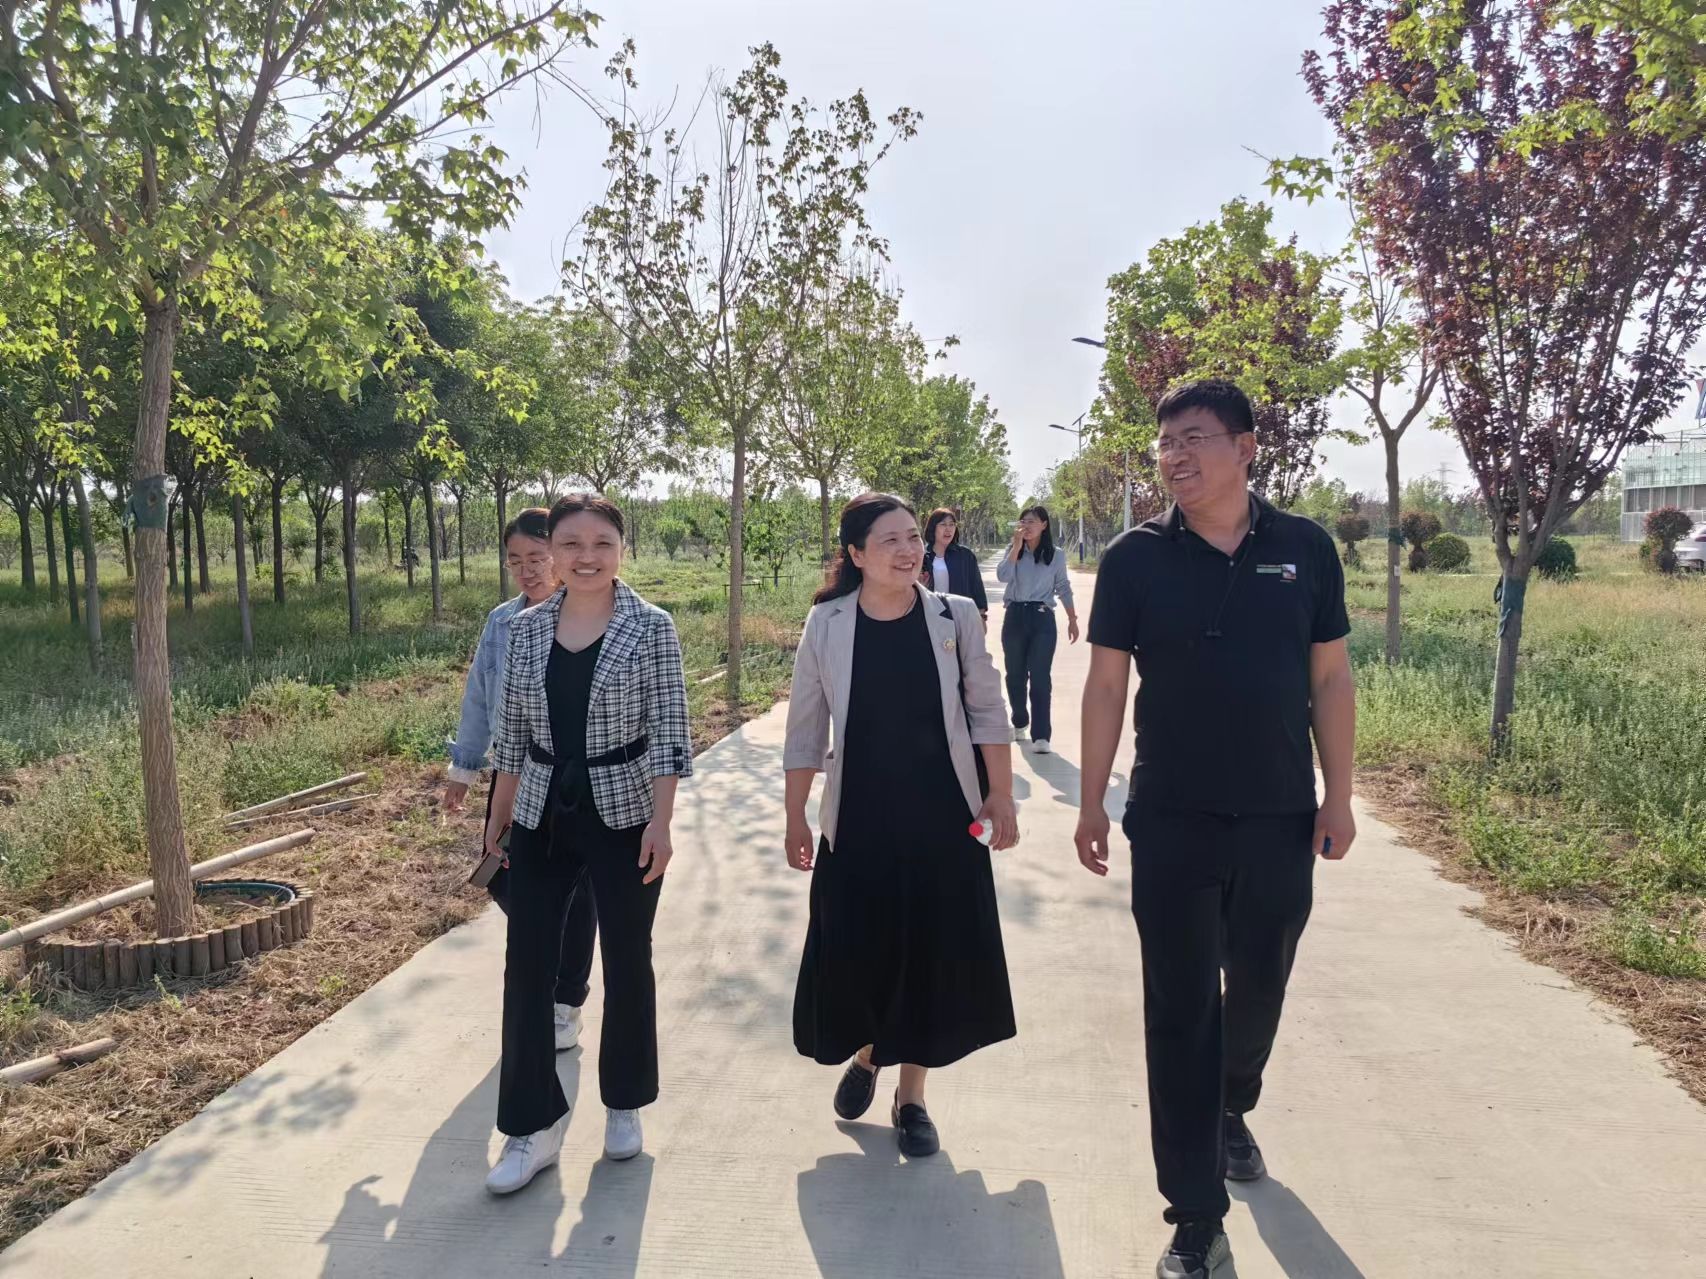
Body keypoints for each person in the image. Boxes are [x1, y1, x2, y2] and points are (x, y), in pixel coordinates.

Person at [1073, 379, 1357, 1279]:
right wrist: (1090, 801)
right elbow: (1107, 686)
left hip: (1279, 814)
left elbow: (1330, 678)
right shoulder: (1133, 558)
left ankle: (1232, 1100)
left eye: (1193, 438)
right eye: (1165, 444)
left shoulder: (1304, 549)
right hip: (1172, 818)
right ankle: (1196, 1213)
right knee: (1179, 1010)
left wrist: (1340, 794)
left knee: (1261, 983)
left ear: (1246, 447)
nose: (1174, 457)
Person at [784, 493, 1019, 1158]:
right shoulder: (828, 623)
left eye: (913, 536)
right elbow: (805, 727)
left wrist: (1001, 795)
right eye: (889, 540)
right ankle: (868, 1053)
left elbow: (987, 710)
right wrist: (795, 815)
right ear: (856, 554)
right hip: (859, 818)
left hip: (943, 817)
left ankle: (911, 1098)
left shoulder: (955, 615)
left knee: (930, 955)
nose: (908, 549)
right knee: (862, 949)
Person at [482, 493, 692, 1194]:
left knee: (628, 957)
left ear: (622, 549)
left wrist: (661, 822)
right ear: (553, 550)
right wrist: (498, 819)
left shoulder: (651, 626)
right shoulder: (524, 630)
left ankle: (624, 1101)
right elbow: (511, 735)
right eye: (571, 543)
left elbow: (670, 734)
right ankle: (529, 1126)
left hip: (625, 809)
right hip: (542, 807)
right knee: (526, 965)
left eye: (602, 543)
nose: (587, 557)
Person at [445, 509, 597, 1055]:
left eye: (537, 557)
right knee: (507, 880)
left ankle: (565, 1001)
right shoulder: (502, 623)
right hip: (514, 773)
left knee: (577, 892)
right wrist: (464, 770)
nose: (528, 570)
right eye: (516, 561)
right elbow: (479, 696)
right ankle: (545, 972)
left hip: (576, 778)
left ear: (560, 555)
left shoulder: (589, 617)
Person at [995, 505, 1079, 754]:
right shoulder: (1013, 550)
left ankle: (1041, 735)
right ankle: (1019, 720)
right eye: (1023, 521)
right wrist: (1015, 548)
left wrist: (1072, 618)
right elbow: (1002, 576)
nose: (1027, 526)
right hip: (1015, 616)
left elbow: (1063, 586)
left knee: (1041, 677)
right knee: (1015, 675)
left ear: (1044, 525)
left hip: (1042, 618)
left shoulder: (1056, 555)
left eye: (1032, 521)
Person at [919, 507, 989, 621]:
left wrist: (982, 616)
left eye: (952, 525)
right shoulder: (922, 556)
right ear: (933, 528)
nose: (948, 529)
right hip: (930, 617)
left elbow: (977, 587)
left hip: (960, 616)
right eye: (943, 524)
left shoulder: (965, 555)